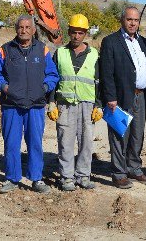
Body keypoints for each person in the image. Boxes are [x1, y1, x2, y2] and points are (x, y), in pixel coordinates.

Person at [0, 15, 59, 194]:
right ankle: (12, 178)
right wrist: (5, 88)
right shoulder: (5, 50)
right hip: (11, 105)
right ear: (16, 29)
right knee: (11, 143)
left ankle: (36, 178)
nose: (24, 30)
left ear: (34, 30)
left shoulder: (43, 50)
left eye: (28, 27)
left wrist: (43, 88)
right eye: (20, 27)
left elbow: (52, 75)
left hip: (35, 106)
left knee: (35, 142)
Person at [100, 6, 146, 189]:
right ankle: (118, 173)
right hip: (120, 97)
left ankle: (134, 168)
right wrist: (110, 97)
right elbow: (106, 72)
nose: (133, 23)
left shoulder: (143, 42)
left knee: (137, 135)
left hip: (141, 96)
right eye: (129, 19)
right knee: (119, 135)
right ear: (122, 20)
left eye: (136, 20)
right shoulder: (111, 42)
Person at [47, 14, 102, 192]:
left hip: (87, 105)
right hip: (65, 105)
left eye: (80, 33)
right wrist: (51, 102)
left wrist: (99, 104)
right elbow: (53, 79)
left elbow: (100, 81)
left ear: (85, 34)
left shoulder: (94, 54)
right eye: (73, 32)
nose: (76, 36)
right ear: (68, 32)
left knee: (86, 142)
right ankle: (67, 177)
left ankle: (83, 176)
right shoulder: (60, 53)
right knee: (66, 142)